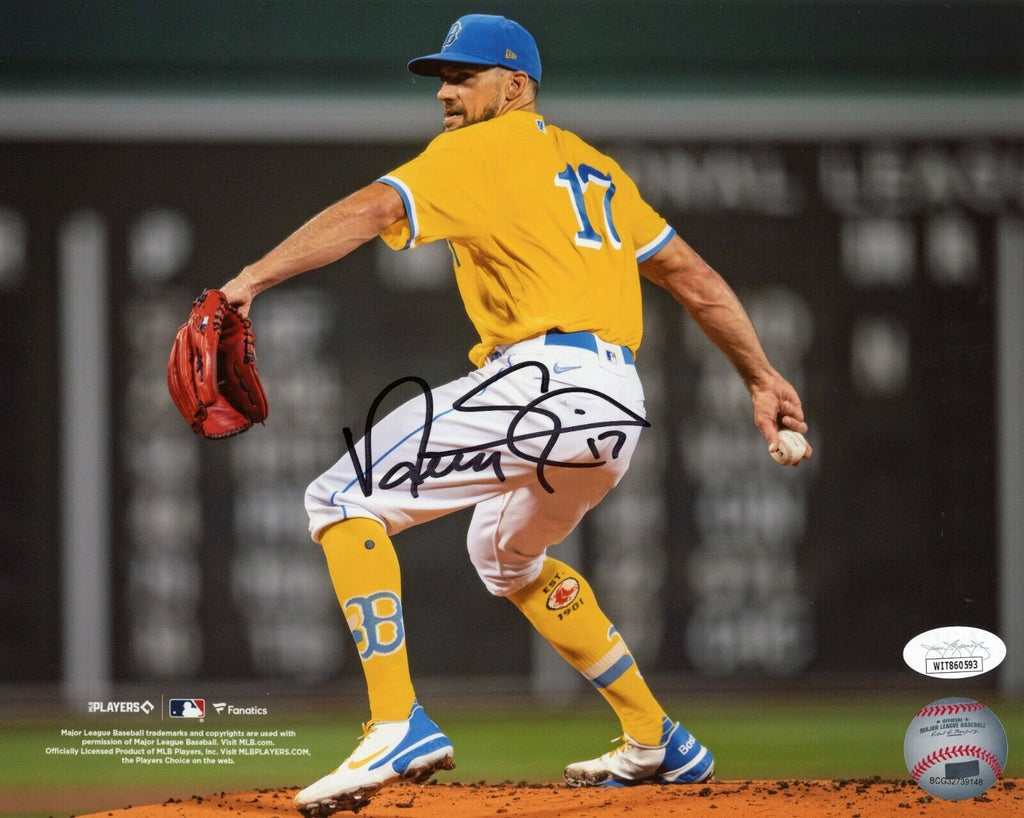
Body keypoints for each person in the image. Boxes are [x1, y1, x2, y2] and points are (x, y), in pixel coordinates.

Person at [219, 13, 812, 815]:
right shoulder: (596, 169)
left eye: (465, 76)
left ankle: (396, 723)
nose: (447, 93)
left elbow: (370, 211)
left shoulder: (477, 150)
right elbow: (694, 279)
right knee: (504, 556)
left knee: (339, 498)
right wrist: (761, 377)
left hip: (545, 385)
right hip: (616, 408)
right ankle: (656, 737)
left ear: (517, 86)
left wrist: (247, 282)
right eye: (443, 79)